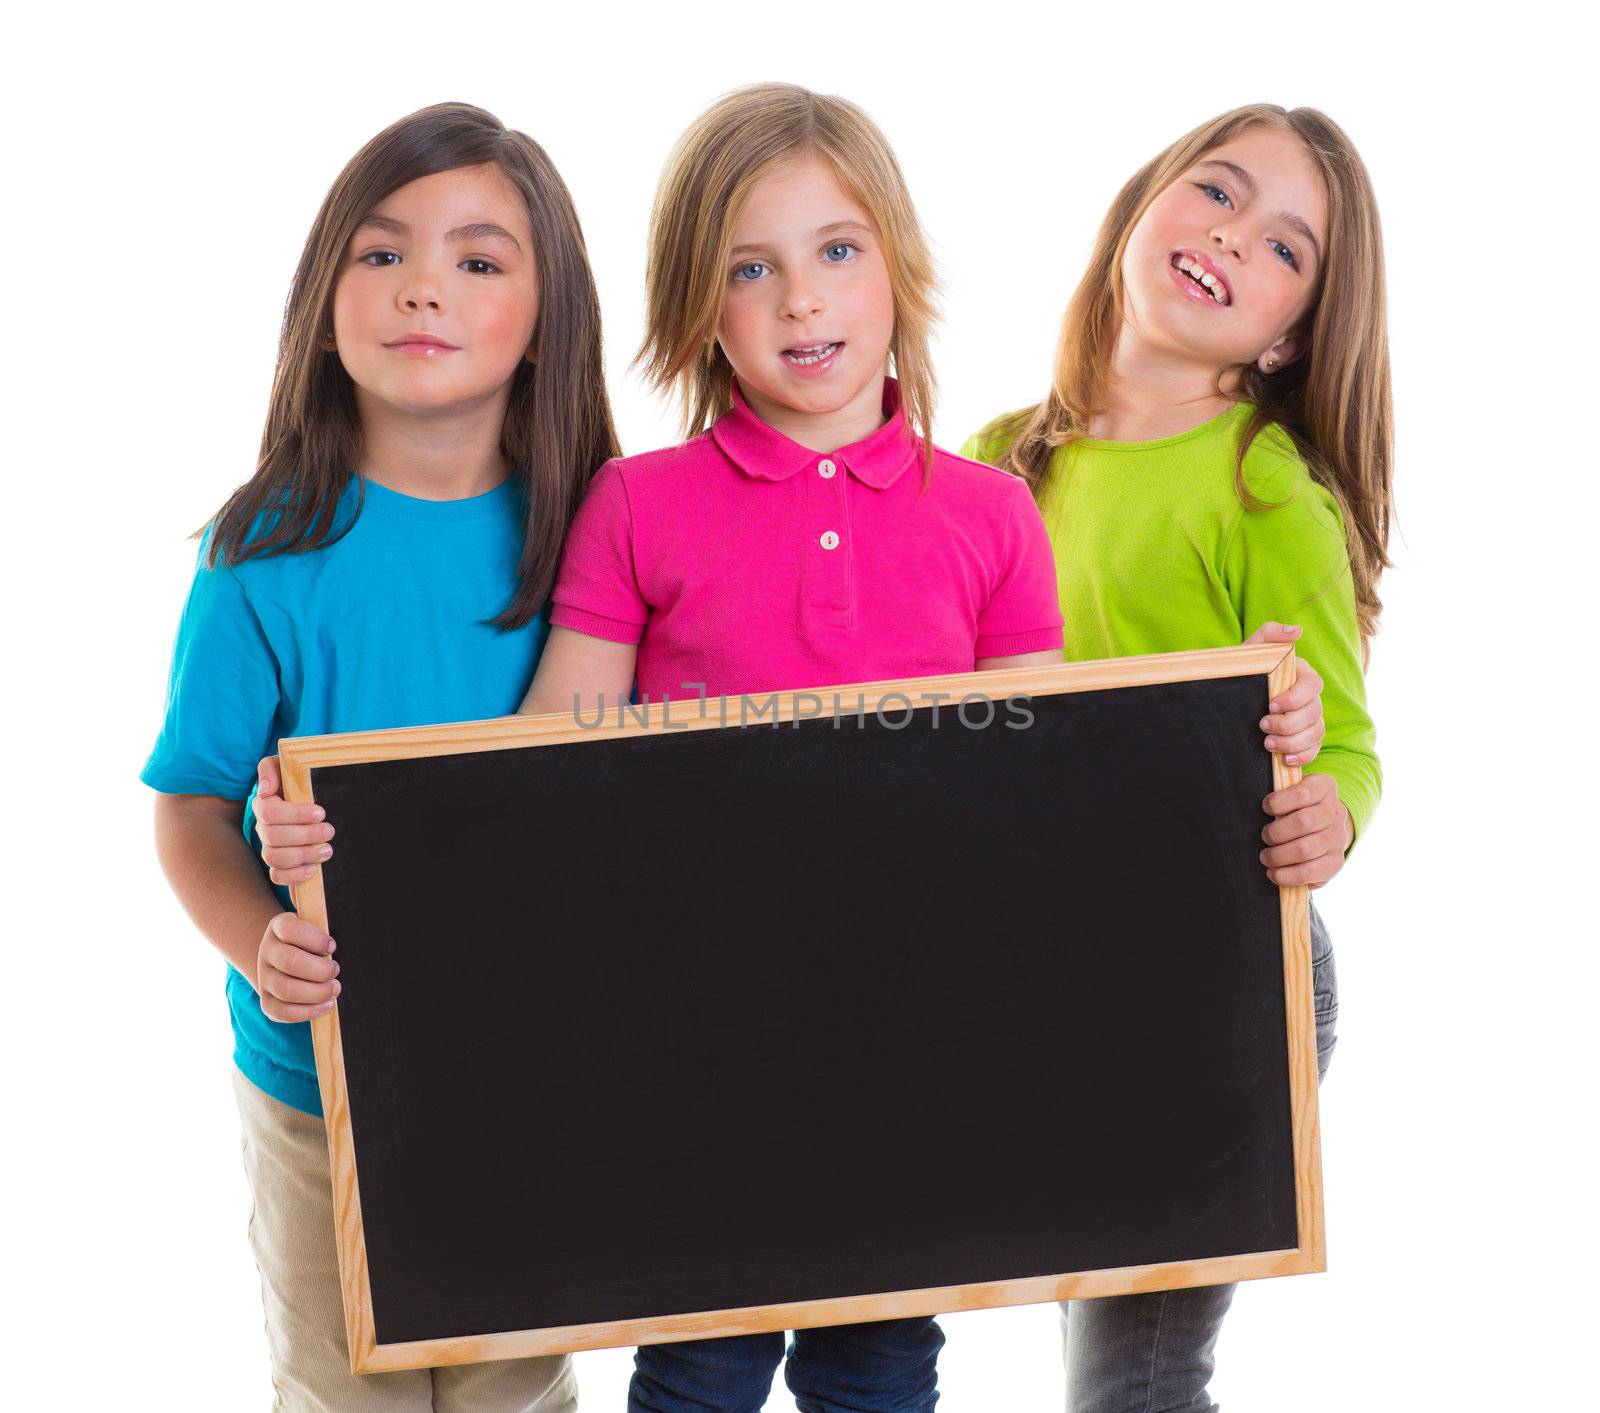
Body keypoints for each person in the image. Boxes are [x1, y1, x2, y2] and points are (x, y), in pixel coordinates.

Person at [141, 101, 616, 1411]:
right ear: (326, 293)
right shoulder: (266, 551)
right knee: (349, 1390)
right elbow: (189, 801)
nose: (424, 286)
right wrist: (257, 939)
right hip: (320, 1082)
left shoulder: (596, 530)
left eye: (478, 259)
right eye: (382, 250)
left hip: (532, 1068)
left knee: (518, 1384)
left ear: (546, 315)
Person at [962, 103, 1391, 1413]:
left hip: (1224, 969)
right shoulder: (992, 464)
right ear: (1140, 209)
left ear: (1290, 335)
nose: (1228, 236)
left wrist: (1327, 806)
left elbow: (1350, 743)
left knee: (1133, 1376)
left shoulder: (1268, 489)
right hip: (1058, 965)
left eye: (1282, 248)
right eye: (1213, 191)